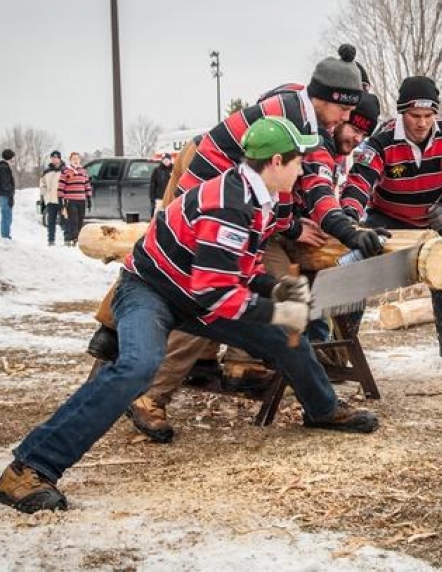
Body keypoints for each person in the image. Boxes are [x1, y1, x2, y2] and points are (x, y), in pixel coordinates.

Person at [0, 117, 380, 515]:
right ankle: (29, 468)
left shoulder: (260, 200)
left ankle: (322, 410)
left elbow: (242, 268)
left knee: (285, 335)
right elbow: (217, 293)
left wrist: (288, 294)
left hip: (192, 295)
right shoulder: (227, 204)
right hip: (152, 291)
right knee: (137, 366)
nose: (303, 169)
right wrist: (280, 307)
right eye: (298, 161)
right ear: (276, 162)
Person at [90, 47, 386, 441]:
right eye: (347, 111)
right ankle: (147, 390)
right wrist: (342, 230)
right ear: (330, 97)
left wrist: (304, 225)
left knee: (265, 308)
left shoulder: (302, 111)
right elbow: (304, 180)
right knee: (201, 294)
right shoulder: (290, 115)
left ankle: (313, 401)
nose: (349, 120)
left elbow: (290, 185)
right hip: (206, 198)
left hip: (232, 200)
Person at [342, 75, 442, 381]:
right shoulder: (381, 141)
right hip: (386, 217)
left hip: (430, 220)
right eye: (414, 116)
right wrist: (349, 220)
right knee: (356, 274)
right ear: (401, 113)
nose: (421, 123)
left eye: (427, 116)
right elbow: (359, 182)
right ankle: (342, 352)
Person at [58, 152, 92, 246]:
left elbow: (87, 185)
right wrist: (61, 199)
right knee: (73, 220)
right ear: (70, 160)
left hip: (81, 199)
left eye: (77, 158)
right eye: (74, 159)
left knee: (81, 219)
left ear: (79, 160)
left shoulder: (83, 171)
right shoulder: (66, 171)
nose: (76, 160)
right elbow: (61, 186)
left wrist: (89, 198)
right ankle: (72, 238)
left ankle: (78, 238)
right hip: (70, 199)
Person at [40, 150, 67, 246]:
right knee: (51, 222)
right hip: (50, 200)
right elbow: (42, 183)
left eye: (56, 158)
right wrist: (44, 193)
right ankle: (51, 240)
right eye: (52, 158)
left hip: (62, 200)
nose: (54, 159)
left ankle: (67, 240)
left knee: (64, 221)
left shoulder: (65, 170)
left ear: (59, 159)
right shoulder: (47, 171)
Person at [0, 149, 15, 240]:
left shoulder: (4, 166)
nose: (13, 159)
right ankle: (5, 236)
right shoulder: (4, 167)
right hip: (5, 195)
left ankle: (5, 235)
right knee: (7, 216)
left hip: (6, 194)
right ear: (10, 157)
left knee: (7, 215)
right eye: (13, 157)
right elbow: (5, 183)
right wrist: (10, 195)